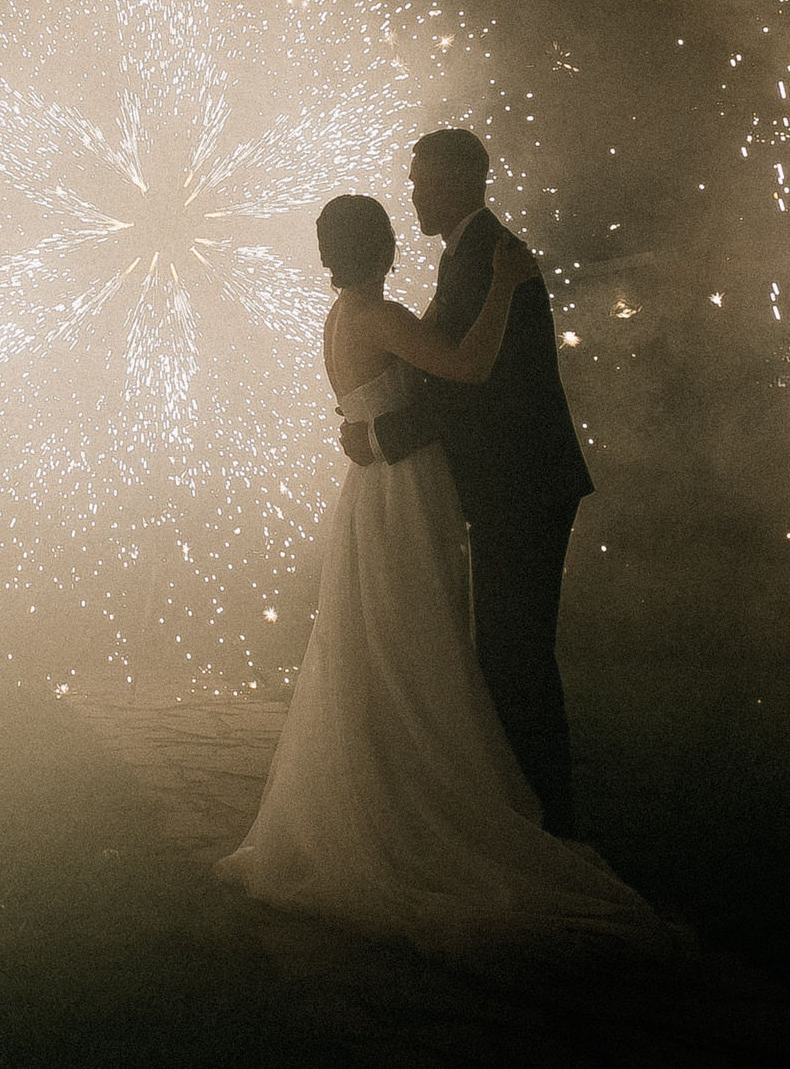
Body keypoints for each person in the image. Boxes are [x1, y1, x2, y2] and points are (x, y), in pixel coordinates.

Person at [216, 191, 660, 956]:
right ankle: (426, 798)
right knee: (417, 636)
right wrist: (504, 287)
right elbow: (469, 366)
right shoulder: (381, 316)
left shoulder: (343, 315)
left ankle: (382, 792)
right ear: (384, 246)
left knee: (379, 642)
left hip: (373, 491)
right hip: (402, 492)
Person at [343, 128, 593, 837]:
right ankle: (533, 809)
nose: (413, 192)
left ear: (457, 181)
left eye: (422, 179)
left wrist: (382, 435)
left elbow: (476, 385)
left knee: (516, 653)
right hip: (509, 481)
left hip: (523, 483)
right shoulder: (470, 255)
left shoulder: (490, 256)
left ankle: (548, 819)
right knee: (506, 650)